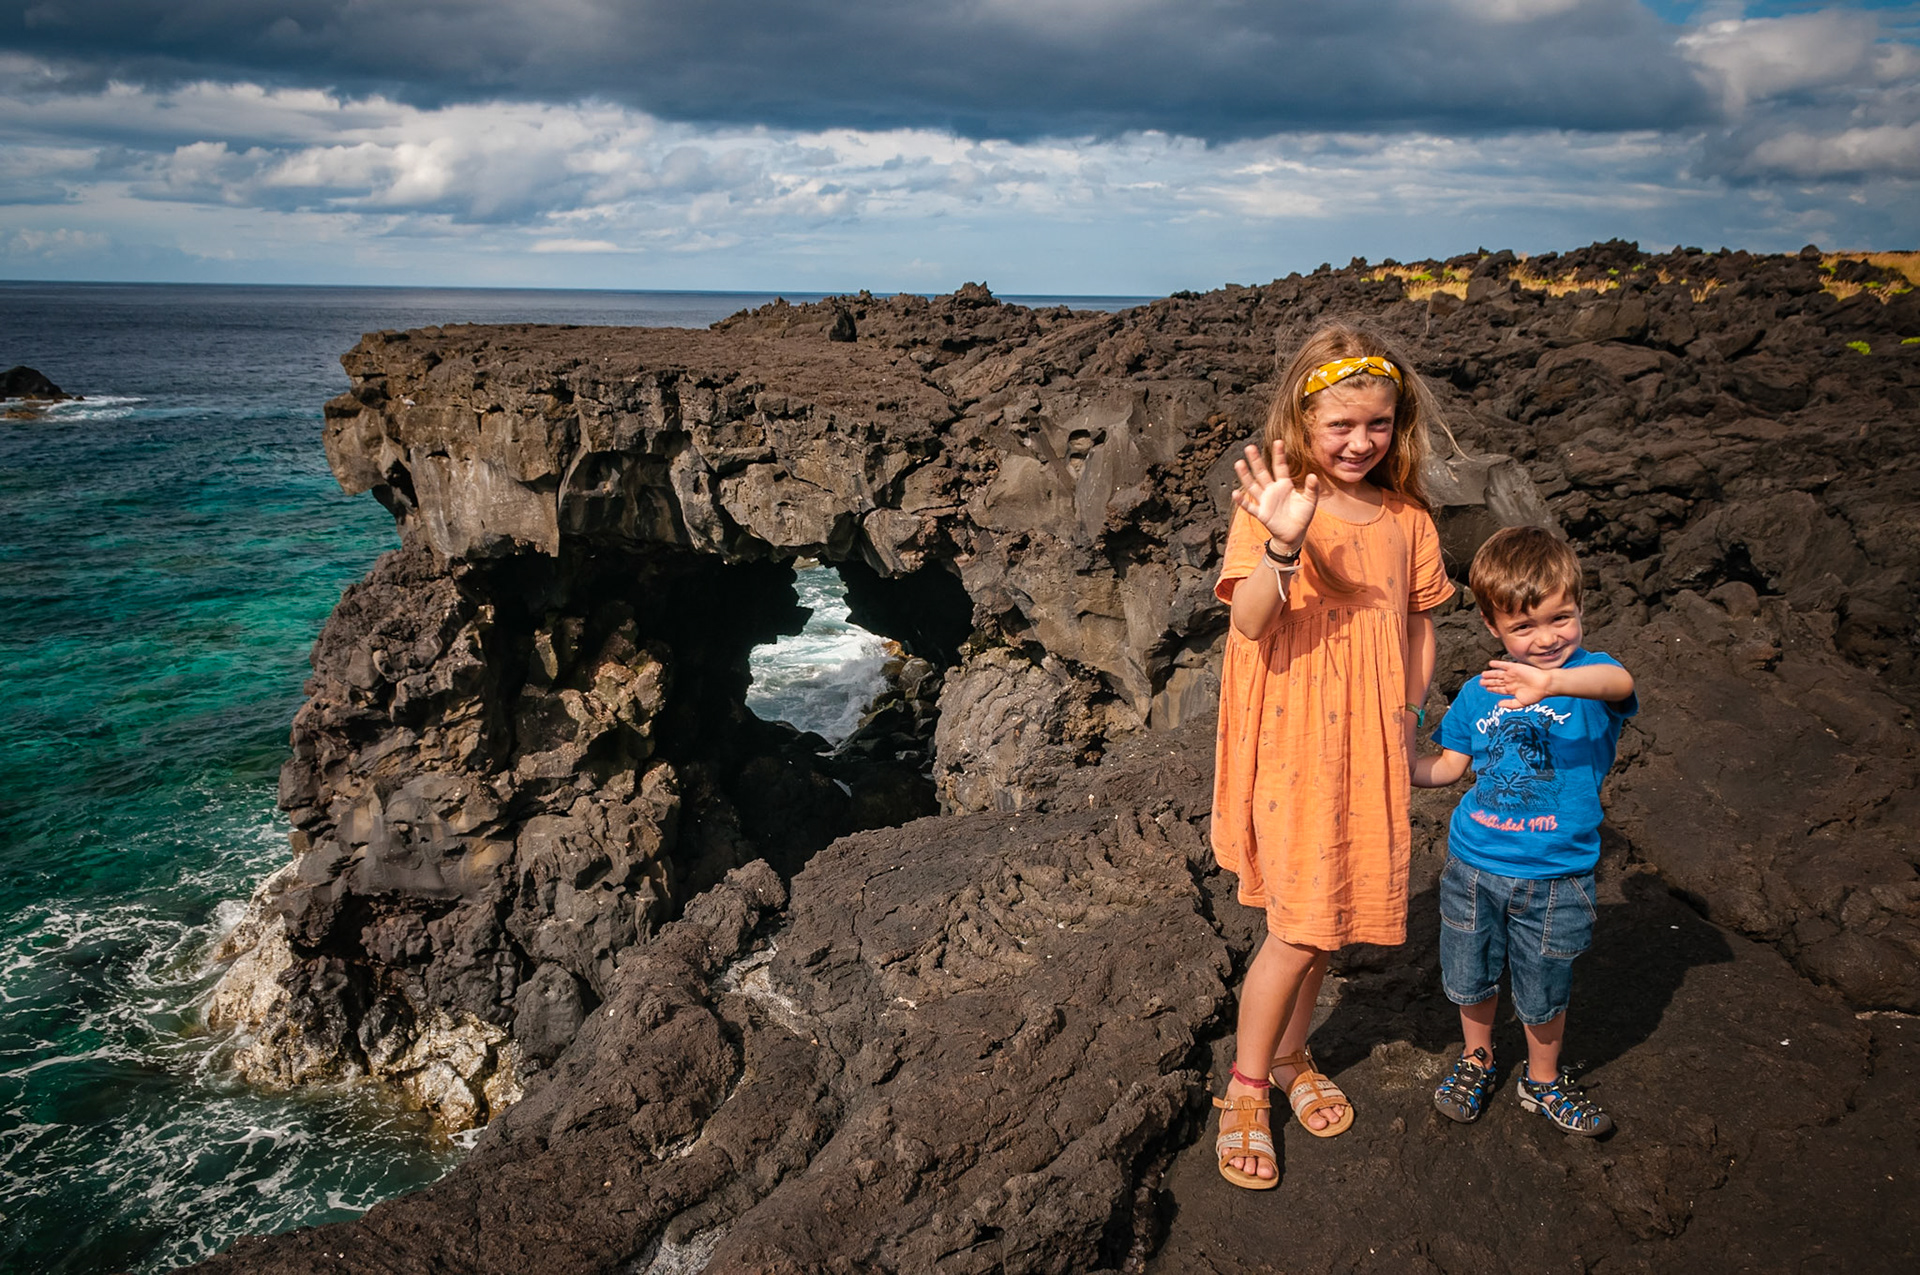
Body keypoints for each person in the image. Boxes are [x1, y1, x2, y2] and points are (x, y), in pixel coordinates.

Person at [1211, 324, 1455, 1188]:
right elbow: (1248, 623)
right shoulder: (1276, 505)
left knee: (1326, 922)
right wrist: (1282, 541)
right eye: (1340, 426)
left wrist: (1412, 714)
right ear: (1302, 421)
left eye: (1378, 425)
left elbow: (1421, 621)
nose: (1360, 442)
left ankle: (1288, 1054)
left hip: (1368, 738)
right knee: (1298, 924)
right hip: (1294, 739)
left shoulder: (1408, 518)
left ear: (1400, 423)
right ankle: (1245, 1087)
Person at [1412, 525, 1637, 1136]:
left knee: (1543, 984)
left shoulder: (1591, 677)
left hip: (1555, 874)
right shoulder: (1478, 694)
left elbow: (1622, 685)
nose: (1546, 639)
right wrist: (1392, 763)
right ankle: (1477, 1058)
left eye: (1560, 618)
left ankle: (1541, 1080)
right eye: (1524, 628)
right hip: (1472, 864)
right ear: (1492, 627)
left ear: (1580, 606)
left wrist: (1552, 683)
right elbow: (1447, 768)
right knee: (1470, 972)